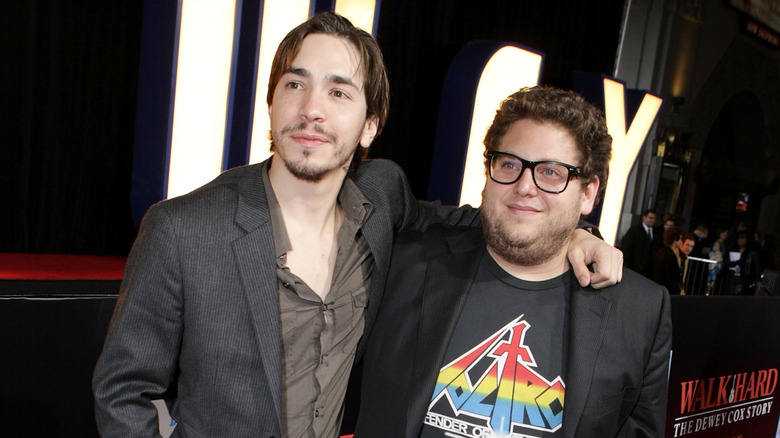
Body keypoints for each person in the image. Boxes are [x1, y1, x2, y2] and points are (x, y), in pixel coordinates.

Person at [91, 13, 622, 438]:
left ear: (370, 125)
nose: (311, 110)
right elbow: (122, 391)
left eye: (339, 92)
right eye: (295, 85)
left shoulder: (383, 196)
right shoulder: (182, 229)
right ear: (272, 103)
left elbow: (481, 219)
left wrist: (578, 231)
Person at [353, 87, 671, 437]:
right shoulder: (410, 261)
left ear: (589, 193)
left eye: (551, 172)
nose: (524, 186)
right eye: (509, 164)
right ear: (488, 172)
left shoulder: (638, 311)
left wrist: (577, 231)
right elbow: (371, 183)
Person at [618, 208, 662, 275]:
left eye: (654, 219)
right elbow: (627, 248)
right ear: (644, 217)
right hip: (635, 266)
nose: (652, 220)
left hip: (649, 270)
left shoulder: (657, 233)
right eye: (650, 218)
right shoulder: (634, 231)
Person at [652, 226, 684, 295]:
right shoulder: (670, 255)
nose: (681, 241)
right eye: (680, 239)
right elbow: (672, 277)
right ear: (675, 239)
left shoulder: (660, 252)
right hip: (666, 291)